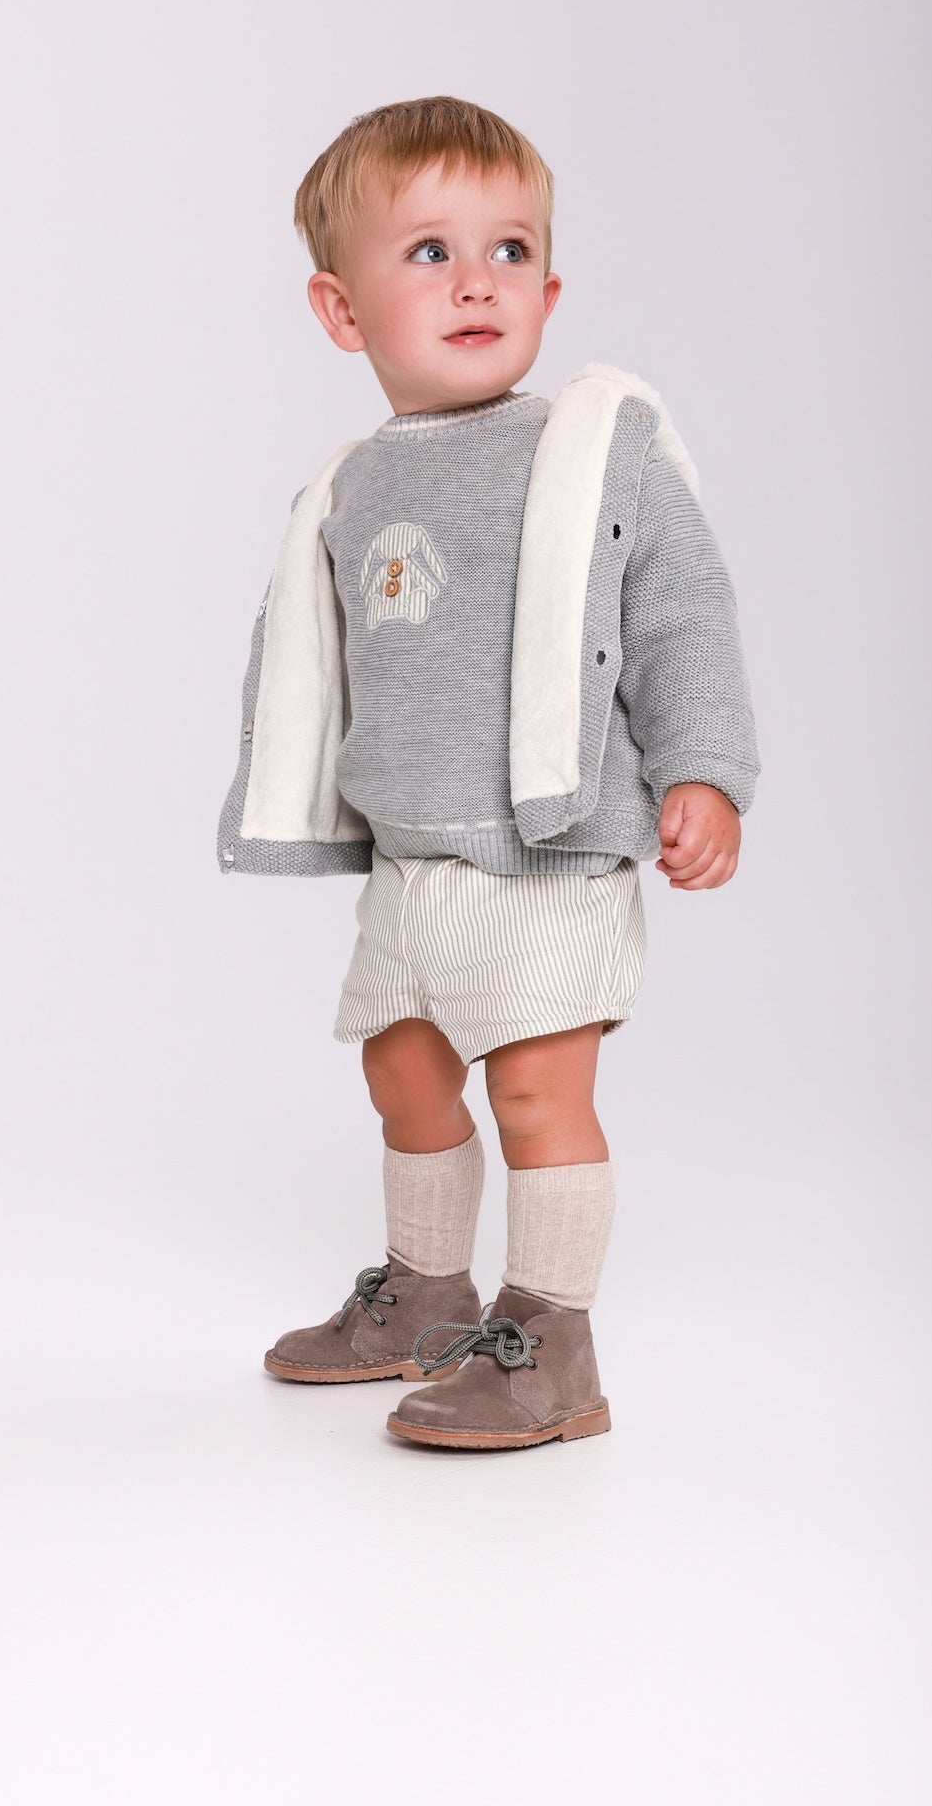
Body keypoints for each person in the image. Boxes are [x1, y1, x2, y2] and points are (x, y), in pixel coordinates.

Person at [217, 94, 761, 1450]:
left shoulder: (585, 449)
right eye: (429, 253)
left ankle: (551, 1344)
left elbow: (682, 613)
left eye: (509, 250)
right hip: (414, 857)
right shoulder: (352, 485)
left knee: (532, 1092)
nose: (477, 281)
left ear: (549, 290)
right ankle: (424, 1295)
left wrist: (702, 770)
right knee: (401, 1074)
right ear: (341, 312)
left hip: (548, 850)